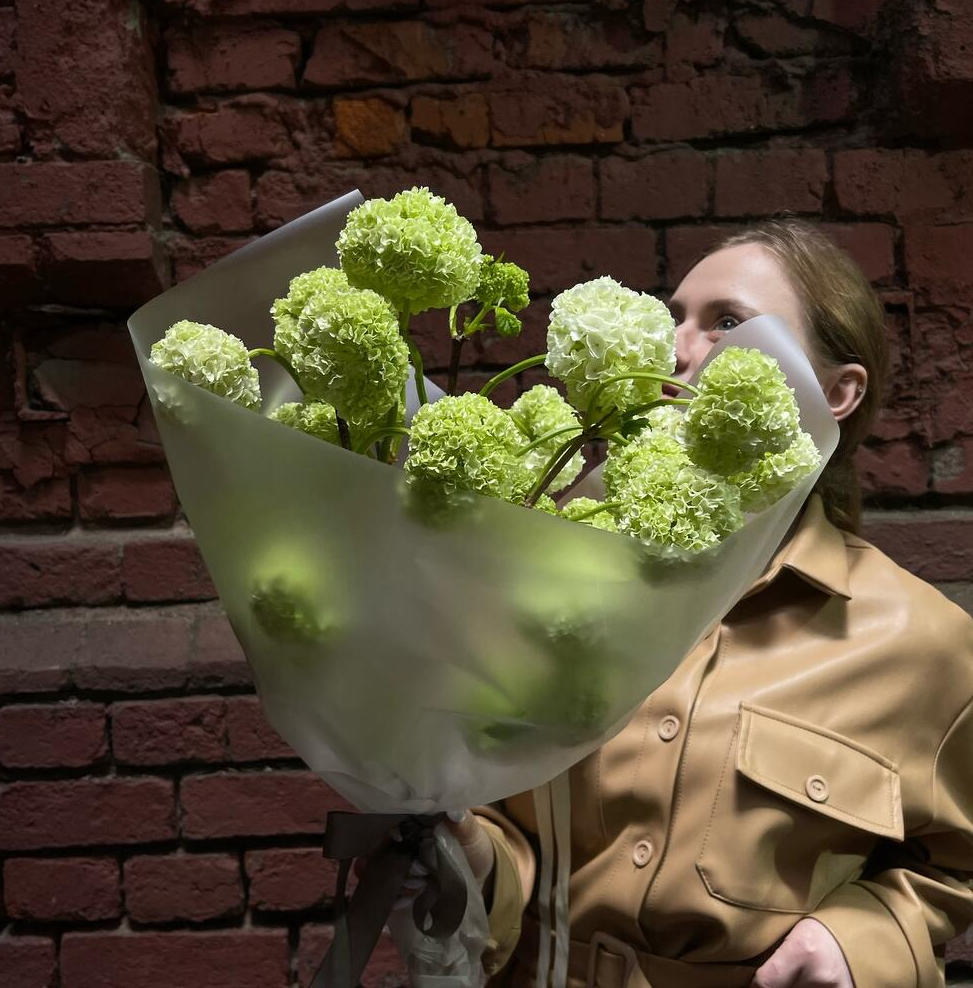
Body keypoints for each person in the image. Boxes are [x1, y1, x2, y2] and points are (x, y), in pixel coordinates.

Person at [394, 216, 973, 988]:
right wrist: (472, 856)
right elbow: (513, 828)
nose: (674, 348)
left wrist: (864, 939)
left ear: (837, 392)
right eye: (674, 317)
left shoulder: (921, 641)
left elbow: (953, 867)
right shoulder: (554, 580)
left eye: (728, 323)